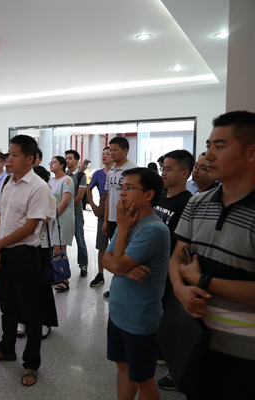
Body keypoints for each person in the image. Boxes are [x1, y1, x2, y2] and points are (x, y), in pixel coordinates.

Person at [170, 111, 255, 399]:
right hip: (196, 341)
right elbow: (178, 256)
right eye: (208, 146)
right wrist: (180, 290)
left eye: (220, 146)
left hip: (246, 354)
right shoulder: (198, 203)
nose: (208, 156)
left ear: (251, 153)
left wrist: (202, 281)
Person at [0, 134, 50, 387]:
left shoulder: (39, 187)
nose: (7, 159)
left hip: (24, 256)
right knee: (7, 307)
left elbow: (31, 227)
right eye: (8, 154)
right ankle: (6, 349)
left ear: (29, 159)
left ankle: (31, 363)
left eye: (13, 155)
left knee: (30, 313)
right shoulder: (7, 182)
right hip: (3, 254)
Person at [103, 167, 169, 400]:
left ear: (149, 194)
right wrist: (125, 269)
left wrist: (122, 231)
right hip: (118, 314)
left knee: (143, 379)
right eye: (122, 187)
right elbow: (106, 259)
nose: (122, 193)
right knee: (123, 369)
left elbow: (118, 263)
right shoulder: (129, 222)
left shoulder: (154, 229)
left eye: (129, 188)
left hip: (139, 320)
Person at [153, 149, 194, 391]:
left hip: (171, 268)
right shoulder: (160, 196)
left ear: (184, 173)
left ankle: (171, 359)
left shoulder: (187, 202)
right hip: (154, 265)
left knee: (170, 312)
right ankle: (159, 349)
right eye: (163, 168)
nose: (163, 173)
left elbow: (183, 246)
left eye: (168, 169)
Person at [16, 166, 58, 340]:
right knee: (22, 286)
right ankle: (22, 320)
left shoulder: (51, 198)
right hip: (22, 245)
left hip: (41, 247)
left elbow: (39, 222)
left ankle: (45, 321)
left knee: (42, 286)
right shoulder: (22, 196)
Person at [102, 137, 138, 298]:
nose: (111, 153)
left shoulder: (133, 170)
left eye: (115, 150)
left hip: (126, 220)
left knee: (126, 254)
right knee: (114, 254)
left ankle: (127, 287)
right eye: (110, 150)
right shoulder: (111, 172)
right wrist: (105, 220)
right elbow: (109, 196)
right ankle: (116, 286)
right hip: (111, 219)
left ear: (125, 150)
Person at [87, 147, 113, 287]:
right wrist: (93, 205)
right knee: (101, 246)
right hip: (103, 214)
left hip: (117, 214)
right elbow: (89, 189)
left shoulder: (119, 173)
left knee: (118, 247)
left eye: (107, 154)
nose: (104, 156)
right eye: (103, 154)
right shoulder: (98, 174)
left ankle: (117, 277)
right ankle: (100, 274)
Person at [48, 156, 75, 293]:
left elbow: (64, 203)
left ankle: (65, 280)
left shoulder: (67, 180)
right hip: (51, 218)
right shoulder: (50, 180)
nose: (51, 164)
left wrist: (52, 217)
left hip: (62, 218)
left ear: (62, 165)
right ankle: (58, 275)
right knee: (54, 249)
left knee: (60, 249)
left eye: (54, 162)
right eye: (51, 162)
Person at [65, 150, 89, 278]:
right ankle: (62, 266)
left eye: (70, 158)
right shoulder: (63, 174)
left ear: (76, 161)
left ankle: (83, 265)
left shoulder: (81, 176)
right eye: (66, 158)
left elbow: (80, 196)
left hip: (76, 212)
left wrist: (67, 207)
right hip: (63, 212)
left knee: (80, 239)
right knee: (61, 240)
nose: (67, 160)